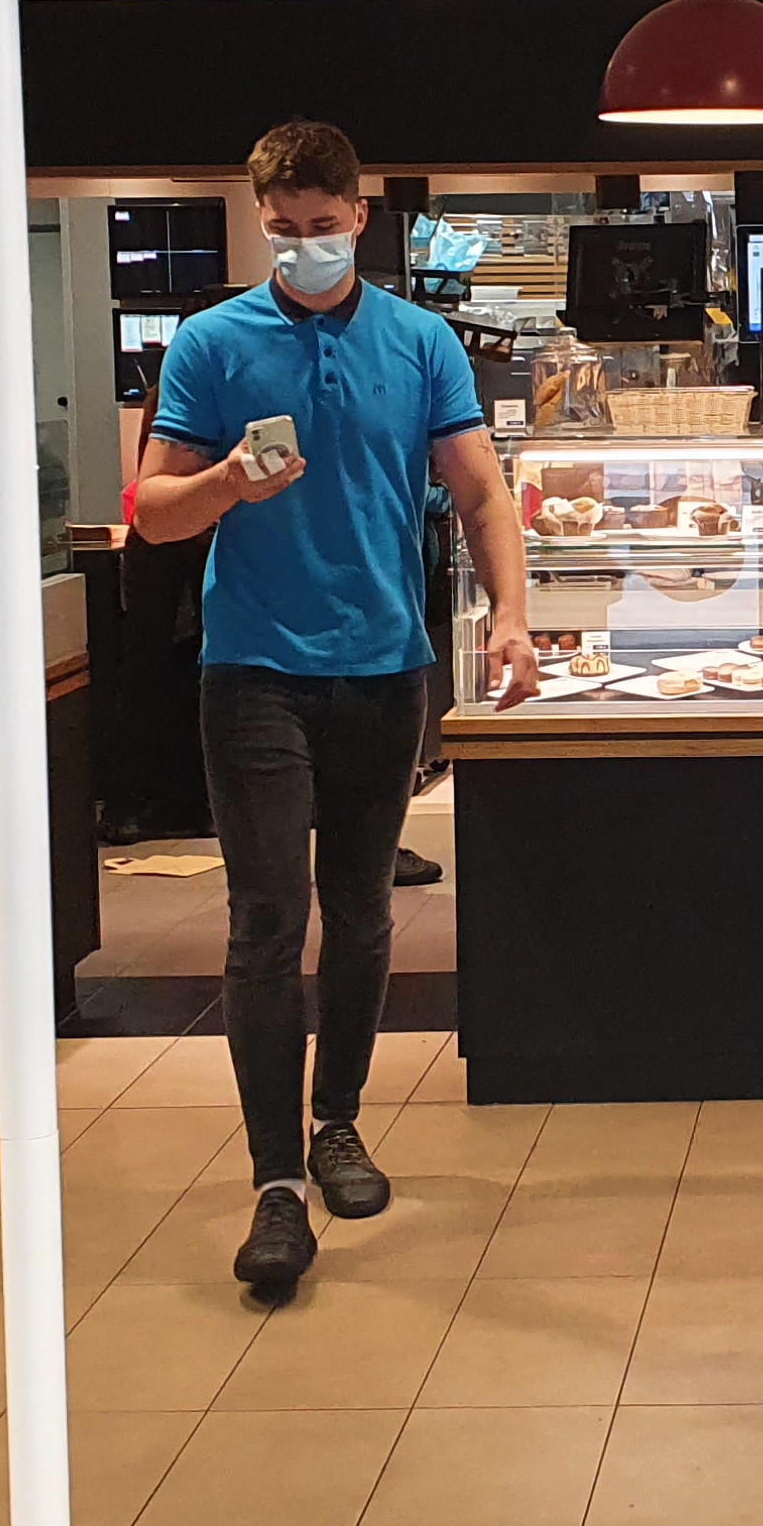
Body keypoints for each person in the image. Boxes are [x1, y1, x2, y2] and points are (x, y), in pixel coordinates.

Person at [138, 119, 537, 1300]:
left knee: (361, 913)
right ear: (260, 222)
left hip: (383, 666)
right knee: (267, 916)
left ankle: (339, 1123)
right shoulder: (211, 343)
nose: (304, 244)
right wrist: (225, 481)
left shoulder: (420, 342)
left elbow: (481, 492)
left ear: (361, 217)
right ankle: (274, 1179)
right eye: (283, 229)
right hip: (253, 668)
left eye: (323, 225)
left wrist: (511, 615)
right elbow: (154, 512)